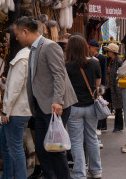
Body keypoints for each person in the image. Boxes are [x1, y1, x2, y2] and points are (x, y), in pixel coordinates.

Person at [13, 16, 78, 179]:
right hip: (42, 105)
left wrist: (57, 101)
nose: (16, 38)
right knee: (42, 149)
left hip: (55, 105)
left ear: (25, 32)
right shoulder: (33, 50)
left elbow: (59, 75)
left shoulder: (49, 46)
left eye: (17, 34)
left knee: (55, 149)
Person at [64, 35, 103, 179]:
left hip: (74, 107)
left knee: (76, 141)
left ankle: (79, 173)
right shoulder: (94, 63)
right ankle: (96, 170)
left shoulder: (67, 66)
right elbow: (97, 85)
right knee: (92, 138)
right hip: (91, 106)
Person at [0, 42, 31, 179]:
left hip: (16, 110)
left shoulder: (22, 58)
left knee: (15, 148)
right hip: (21, 107)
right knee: (3, 143)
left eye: (17, 34)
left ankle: (15, 176)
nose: (15, 37)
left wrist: (6, 110)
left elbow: (15, 88)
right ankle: (8, 175)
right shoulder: (29, 56)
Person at [103, 43, 124, 133]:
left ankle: (118, 126)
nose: (107, 52)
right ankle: (102, 126)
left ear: (112, 52)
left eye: (108, 51)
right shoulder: (108, 60)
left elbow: (121, 74)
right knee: (103, 104)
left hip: (116, 87)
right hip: (108, 86)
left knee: (118, 107)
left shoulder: (119, 61)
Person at [89, 40, 108, 133]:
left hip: (99, 84)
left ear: (93, 48)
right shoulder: (90, 57)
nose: (89, 49)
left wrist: (102, 85)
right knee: (97, 104)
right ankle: (99, 124)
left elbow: (103, 72)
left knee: (101, 104)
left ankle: (102, 125)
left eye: (89, 47)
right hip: (93, 84)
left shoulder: (102, 58)